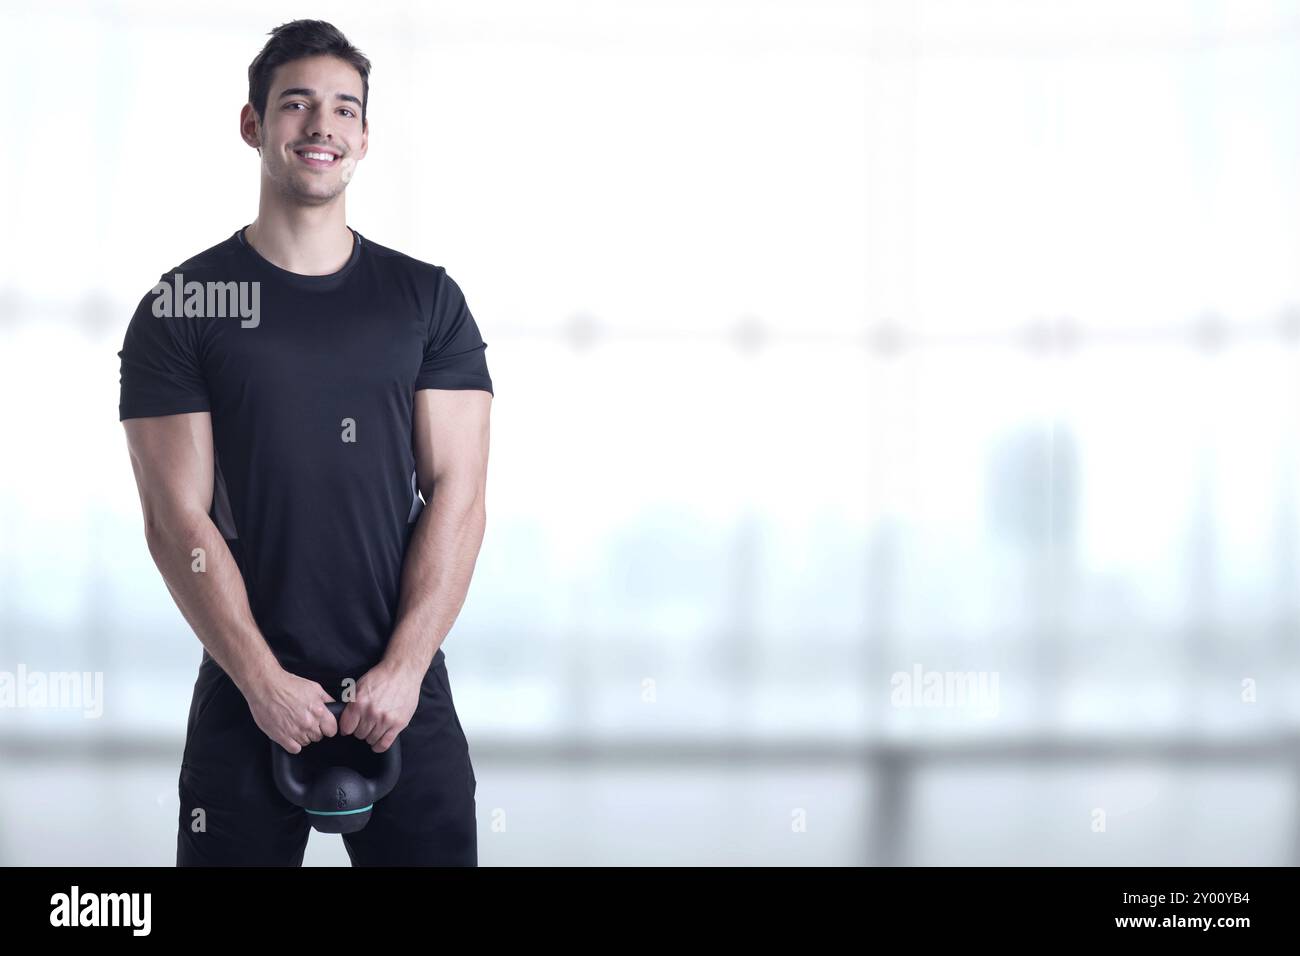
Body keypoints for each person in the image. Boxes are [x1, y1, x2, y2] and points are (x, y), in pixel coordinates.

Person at [116, 19, 491, 866]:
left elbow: (459, 497)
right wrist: (259, 680)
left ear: (363, 136)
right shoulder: (184, 306)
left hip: (405, 690)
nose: (322, 126)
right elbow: (177, 521)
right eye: (297, 104)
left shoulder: (426, 301)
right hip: (248, 684)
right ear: (253, 124)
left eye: (343, 109)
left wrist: (402, 668)